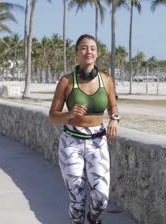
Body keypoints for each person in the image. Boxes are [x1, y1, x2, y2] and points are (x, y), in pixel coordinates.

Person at [49, 34, 119, 224]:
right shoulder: (66, 81)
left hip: (98, 141)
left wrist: (114, 119)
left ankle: (93, 219)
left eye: (92, 48)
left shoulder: (106, 80)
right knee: (77, 199)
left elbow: (113, 106)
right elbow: (53, 116)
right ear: (77, 53)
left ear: (97, 54)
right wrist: (69, 114)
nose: (88, 51)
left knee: (101, 199)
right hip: (72, 142)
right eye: (84, 48)